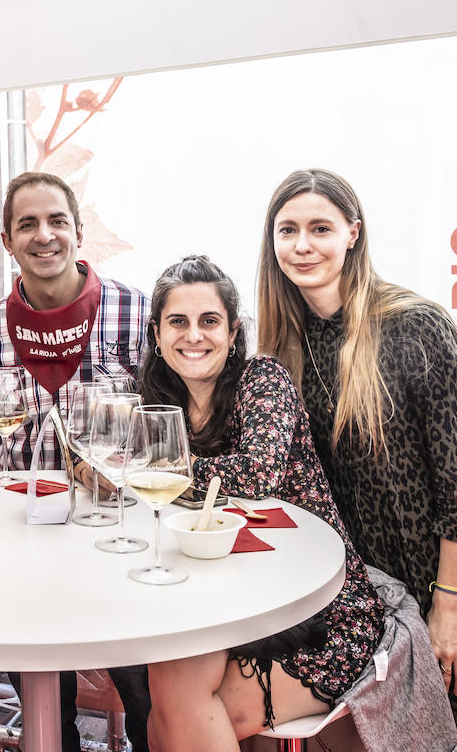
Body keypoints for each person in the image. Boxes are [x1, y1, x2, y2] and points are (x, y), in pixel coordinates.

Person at [257, 168, 457, 751]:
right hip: (343, 605)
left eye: (320, 228)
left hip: (427, 588)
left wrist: (448, 606)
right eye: (287, 230)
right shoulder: (279, 344)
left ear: (353, 233)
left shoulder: (417, 328)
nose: (303, 245)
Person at [0, 171, 152, 752]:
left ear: (79, 232)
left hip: (117, 540)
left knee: (147, 696)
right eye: (28, 223)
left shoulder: (136, 313)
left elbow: (164, 425)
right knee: (46, 709)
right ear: (7, 239)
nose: (44, 235)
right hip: (23, 542)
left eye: (57, 221)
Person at [138, 256, 386, 750]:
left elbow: (256, 476)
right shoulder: (156, 402)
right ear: (157, 334)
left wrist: (148, 474)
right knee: (165, 692)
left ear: (232, 333)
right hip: (215, 596)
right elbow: (121, 476)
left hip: (310, 604)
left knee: (177, 709)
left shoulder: (262, 378)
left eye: (209, 321)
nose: (194, 336)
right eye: (178, 322)